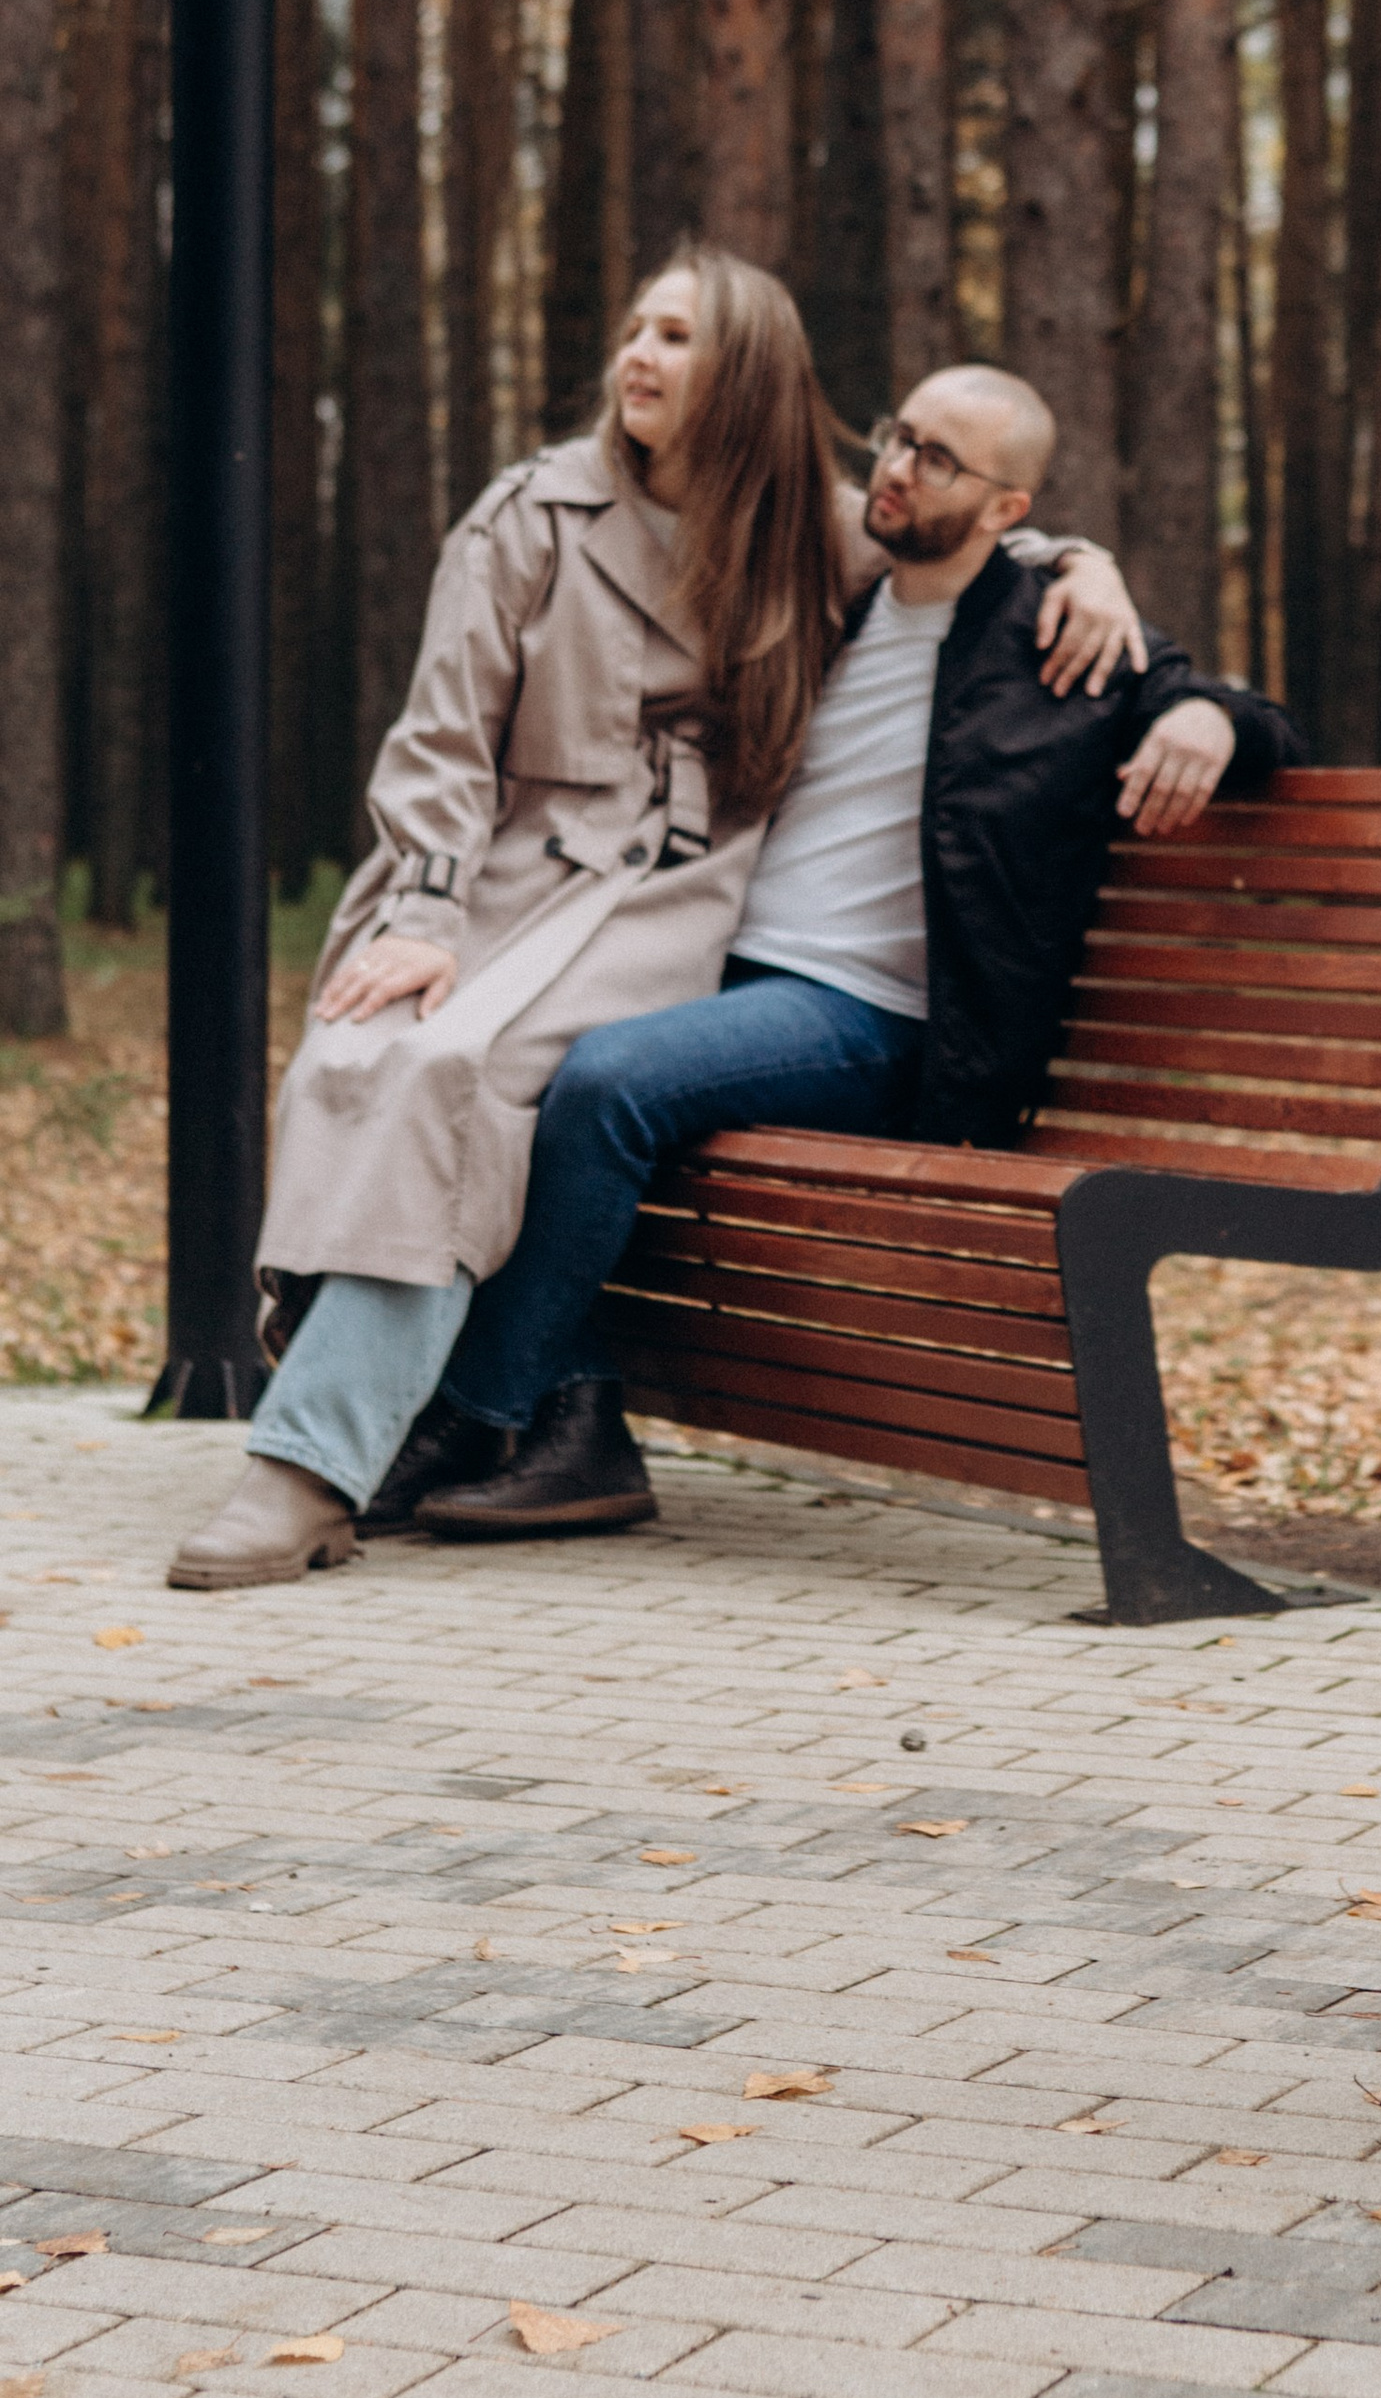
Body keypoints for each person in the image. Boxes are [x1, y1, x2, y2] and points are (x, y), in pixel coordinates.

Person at [167, 257, 1145, 1593]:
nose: (638, 353)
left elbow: (969, 548)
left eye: (677, 336)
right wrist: (422, 911)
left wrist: (1087, 565)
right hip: (498, 883)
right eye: (634, 327)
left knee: (460, 1072)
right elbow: (441, 745)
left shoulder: (814, 529)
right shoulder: (529, 517)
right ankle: (382, 1421)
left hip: (674, 903)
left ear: (741, 372)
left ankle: (313, 1471)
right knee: (363, 1052)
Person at [388, 357, 1299, 1539]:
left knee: (606, 1083)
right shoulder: (835, 607)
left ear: (1006, 510)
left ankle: (470, 1409)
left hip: (875, 1019)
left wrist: (1202, 713)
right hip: (718, 969)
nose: (895, 472)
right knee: (498, 1054)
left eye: (937, 460)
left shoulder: (1053, 643)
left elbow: (1260, 720)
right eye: (896, 438)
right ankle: (576, 1424)